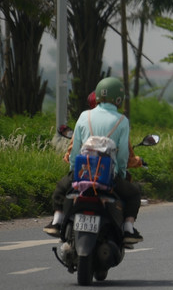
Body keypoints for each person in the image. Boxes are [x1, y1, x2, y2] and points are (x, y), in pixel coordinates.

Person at [43, 77, 144, 244]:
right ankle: (128, 229)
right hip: (108, 176)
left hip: (83, 173)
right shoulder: (122, 121)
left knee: (61, 188)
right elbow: (123, 154)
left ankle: (56, 221)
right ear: (119, 99)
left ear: (97, 95)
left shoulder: (84, 116)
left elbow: (75, 148)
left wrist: (75, 171)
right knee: (133, 194)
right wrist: (120, 174)